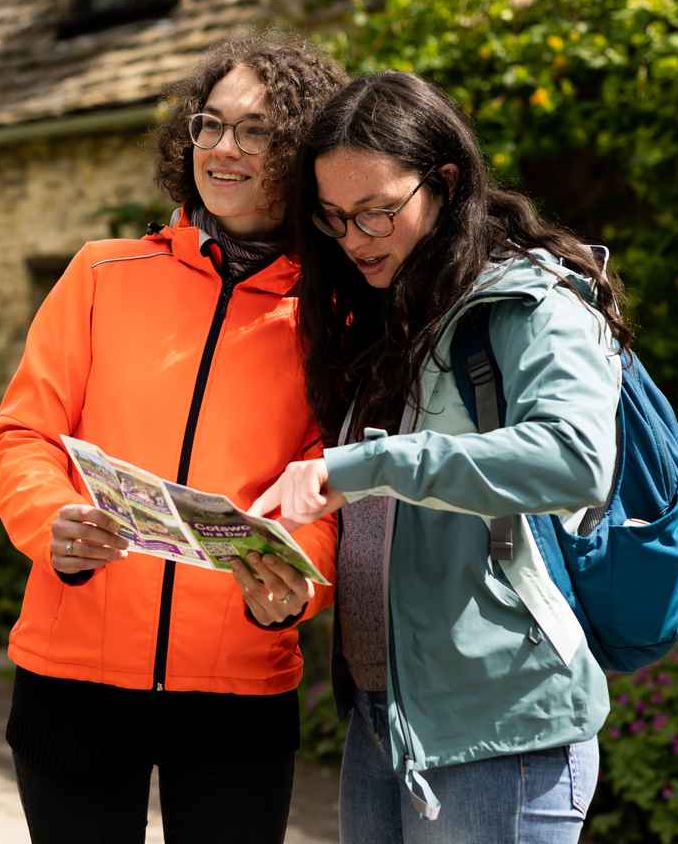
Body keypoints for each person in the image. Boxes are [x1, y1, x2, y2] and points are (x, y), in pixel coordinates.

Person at [248, 71, 631, 843]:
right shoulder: (390, 316)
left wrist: (363, 466)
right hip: (385, 721)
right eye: (333, 219)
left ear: (445, 183)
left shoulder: (531, 303)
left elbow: (574, 459)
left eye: (376, 212)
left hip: (502, 729)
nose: (355, 239)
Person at [0, 33, 347, 844]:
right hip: (71, 674)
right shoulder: (101, 274)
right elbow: (23, 435)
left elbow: (330, 481)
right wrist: (52, 526)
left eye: (257, 131)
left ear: (301, 152)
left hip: (240, 688)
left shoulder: (334, 318)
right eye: (209, 124)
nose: (223, 148)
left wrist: (301, 581)